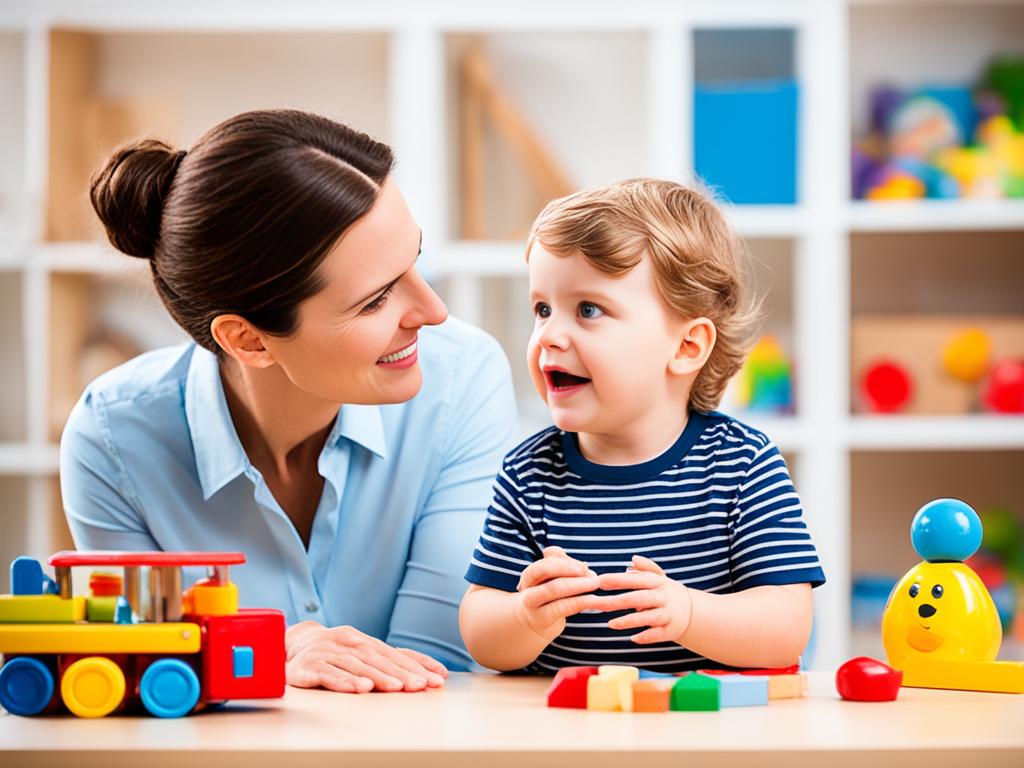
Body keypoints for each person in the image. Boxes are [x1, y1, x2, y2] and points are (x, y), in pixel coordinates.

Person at [60, 109, 517, 693]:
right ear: (248, 339)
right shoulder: (113, 441)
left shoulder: (463, 380)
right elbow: (143, 672)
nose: (433, 311)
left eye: (415, 260)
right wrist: (275, 653)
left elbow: (435, 667)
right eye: (376, 299)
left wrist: (239, 659)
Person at [459, 178, 826, 673]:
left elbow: (786, 628)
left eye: (588, 310)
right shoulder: (530, 472)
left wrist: (689, 612)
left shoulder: (741, 463)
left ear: (686, 347)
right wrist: (523, 616)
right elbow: (480, 627)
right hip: (566, 734)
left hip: (703, 734)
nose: (548, 335)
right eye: (542, 309)